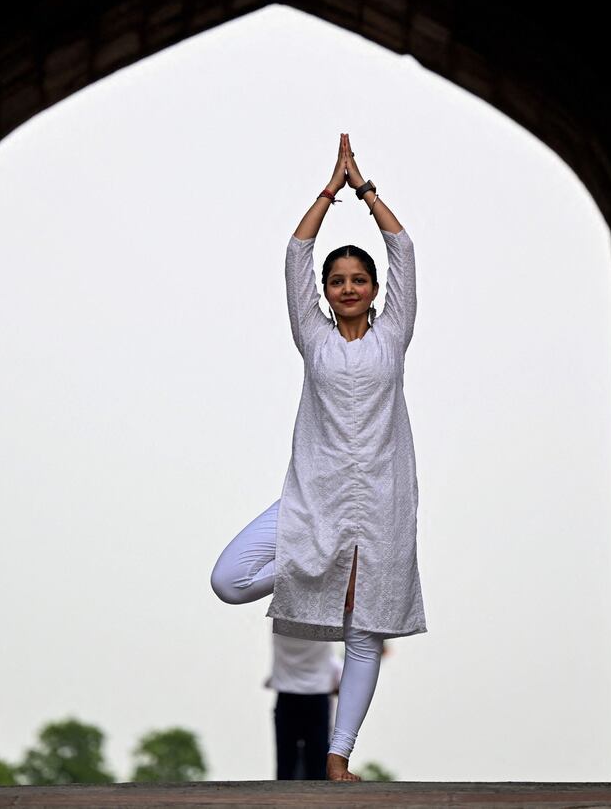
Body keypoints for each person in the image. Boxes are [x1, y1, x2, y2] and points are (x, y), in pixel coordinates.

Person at [211, 133, 426, 782]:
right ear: (326, 293)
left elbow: (405, 249)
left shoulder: (394, 333)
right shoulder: (314, 337)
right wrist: (329, 190)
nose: (348, 286)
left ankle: (339, 755)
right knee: (229, 579)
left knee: (364, 631)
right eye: (338, 280)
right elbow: (296, 252)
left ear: (375, 289)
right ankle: (311, 572)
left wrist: (368, 189)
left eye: (360, 279)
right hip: (312, 501)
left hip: (381, 503)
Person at [264, 632, 343, 780]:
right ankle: (318, 800)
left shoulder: (281, 618)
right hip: (318, 695)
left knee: (286, 762)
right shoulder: (324, 620)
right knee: (317, 763)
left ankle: (283, 800)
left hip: (287, 694)